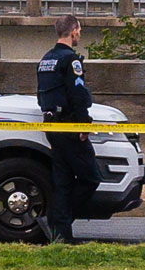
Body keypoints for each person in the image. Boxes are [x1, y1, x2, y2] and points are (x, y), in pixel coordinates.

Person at [36, 15, 99, 243]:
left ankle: (61, 235)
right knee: (90, 178)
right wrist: (84, 123)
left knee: (62, 180)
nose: (79, 35)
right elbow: (77, 93)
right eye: (79, 30)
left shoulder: (46, 59)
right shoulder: (70, 60)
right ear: (73, 31)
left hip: (52, 124)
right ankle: (56, 220)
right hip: (70, 125)